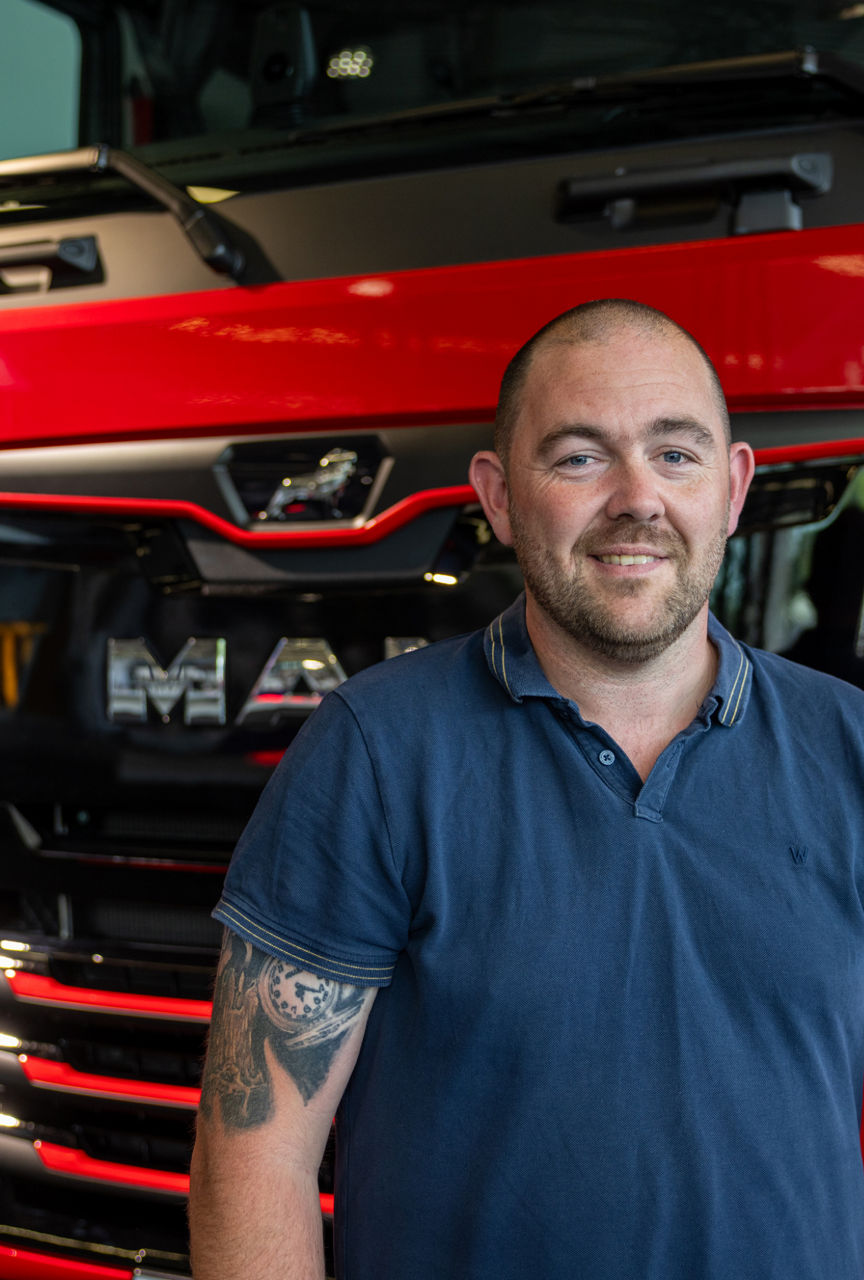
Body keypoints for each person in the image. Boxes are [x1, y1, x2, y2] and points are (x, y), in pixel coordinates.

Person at [188, 299, 864, 1280]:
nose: (638, 498)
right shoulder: (376, 750)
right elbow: (254, 1155)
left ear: (733, 485)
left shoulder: (848, 744)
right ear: (499, 497)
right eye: (581, 456)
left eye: (675, 454)